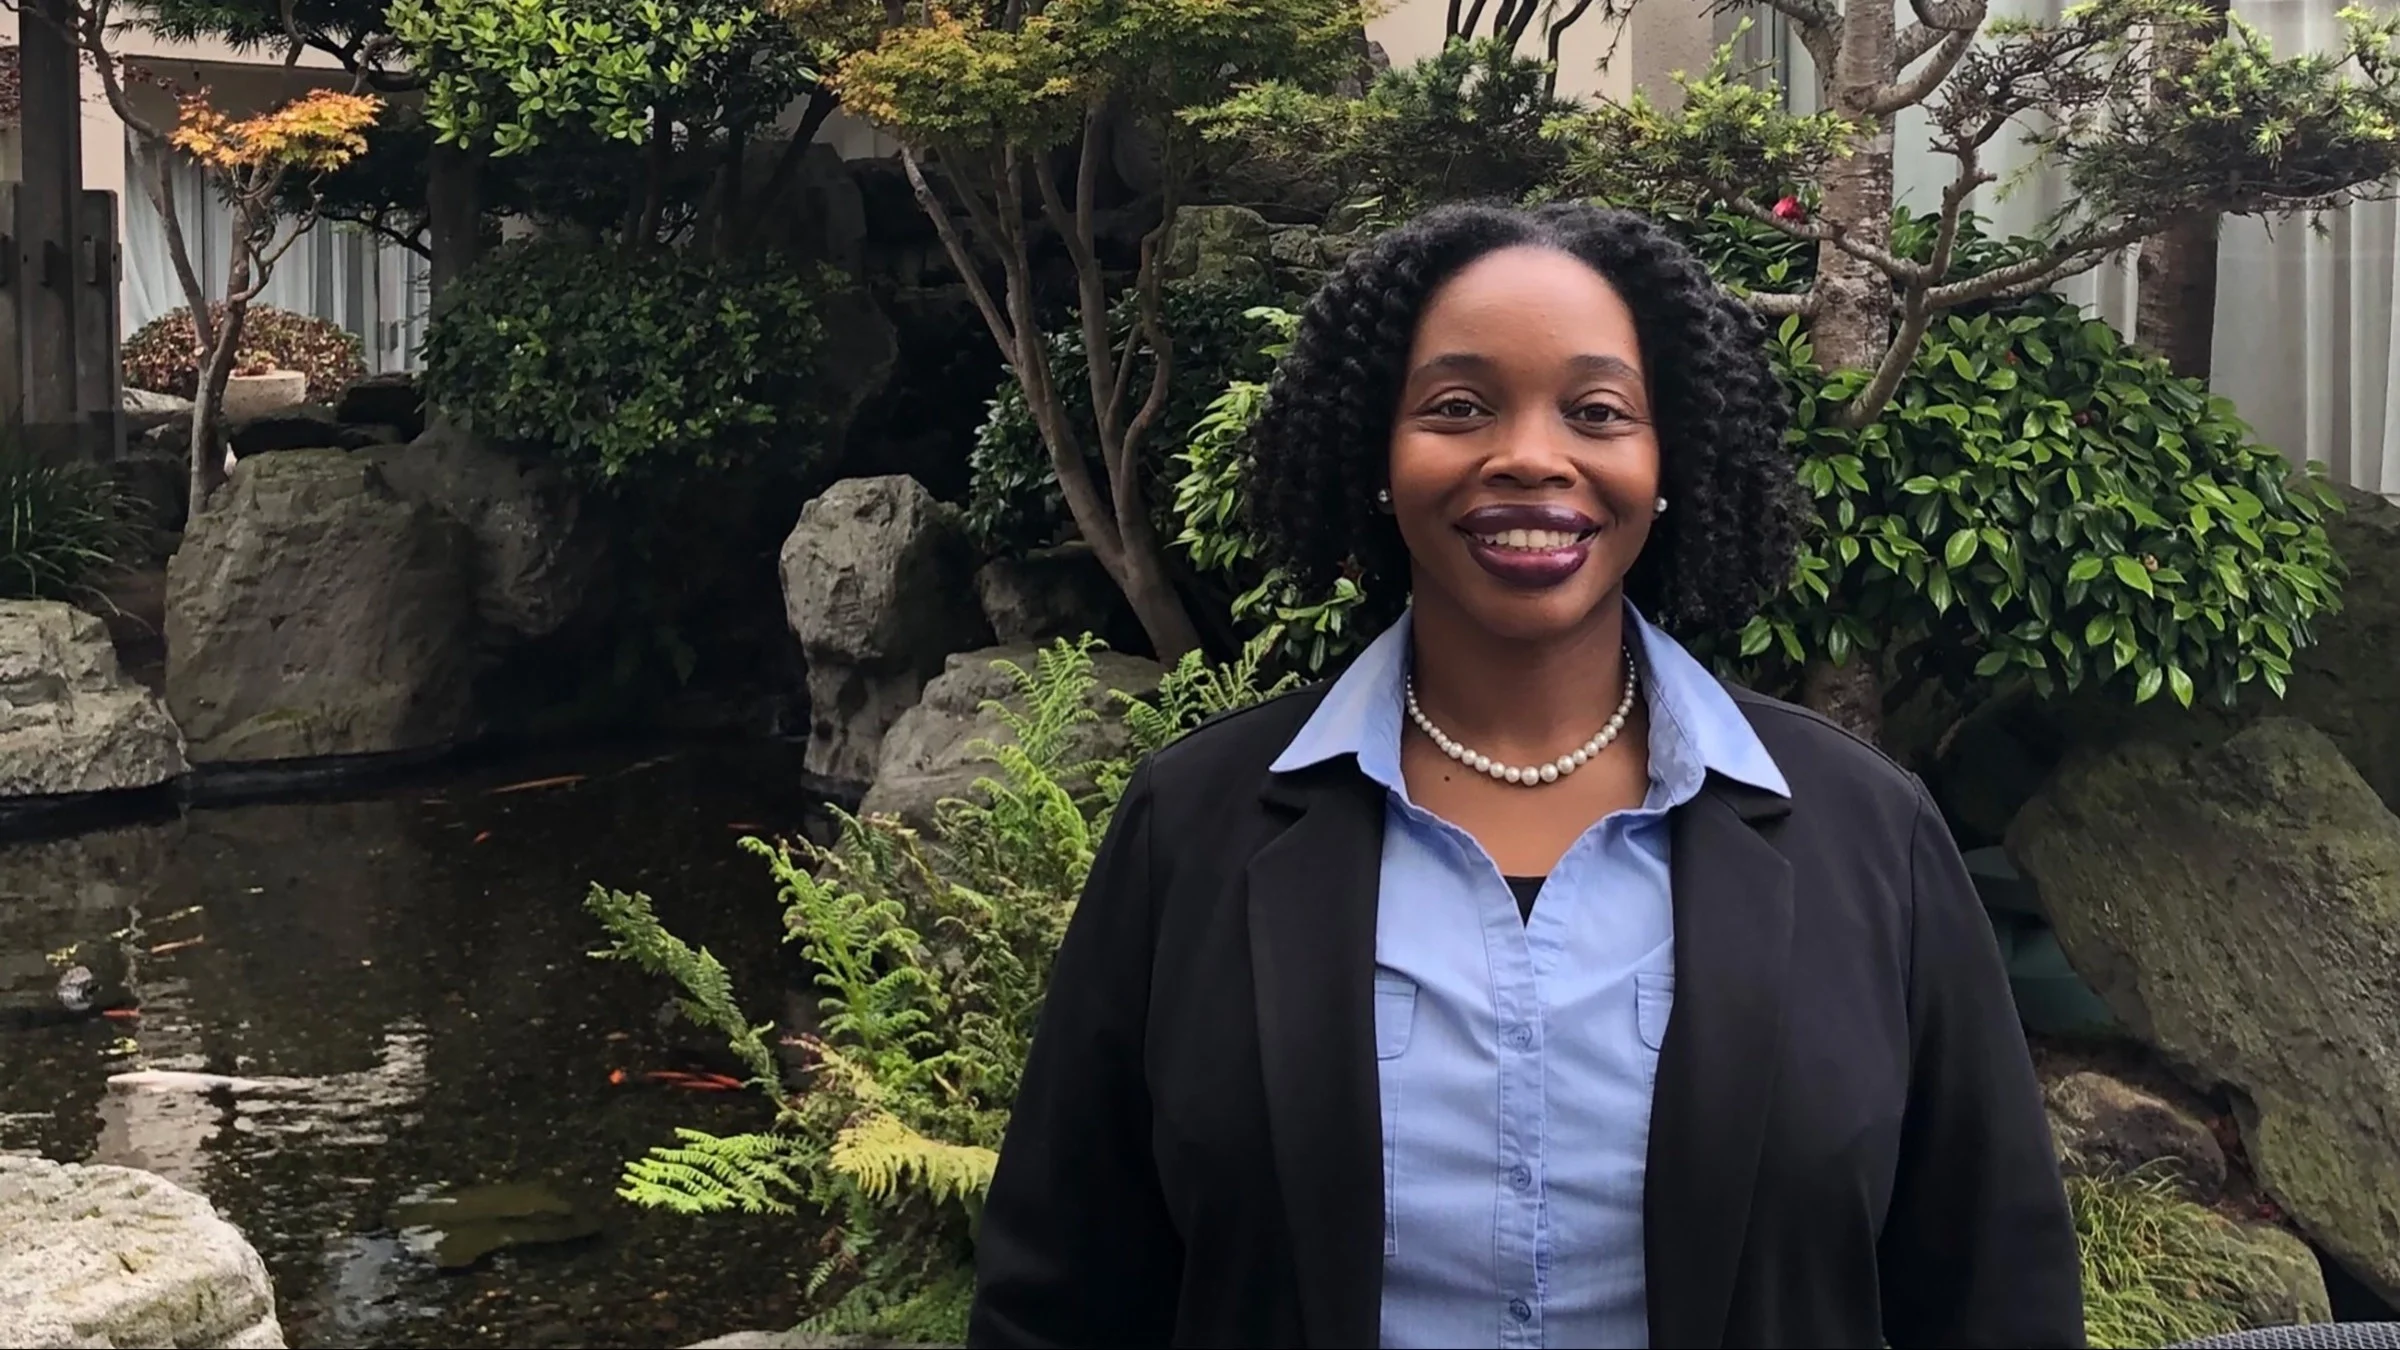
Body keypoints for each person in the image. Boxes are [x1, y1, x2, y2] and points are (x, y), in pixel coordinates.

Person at [966, 202, 2085, 1349]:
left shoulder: (1867, 835)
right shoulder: (1194, 827)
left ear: (1669, 461)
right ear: (1375, 453)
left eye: (1598, 412)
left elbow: (1996, 1294)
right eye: (1458, 407)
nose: (1532, 457)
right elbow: (1059, 1296)